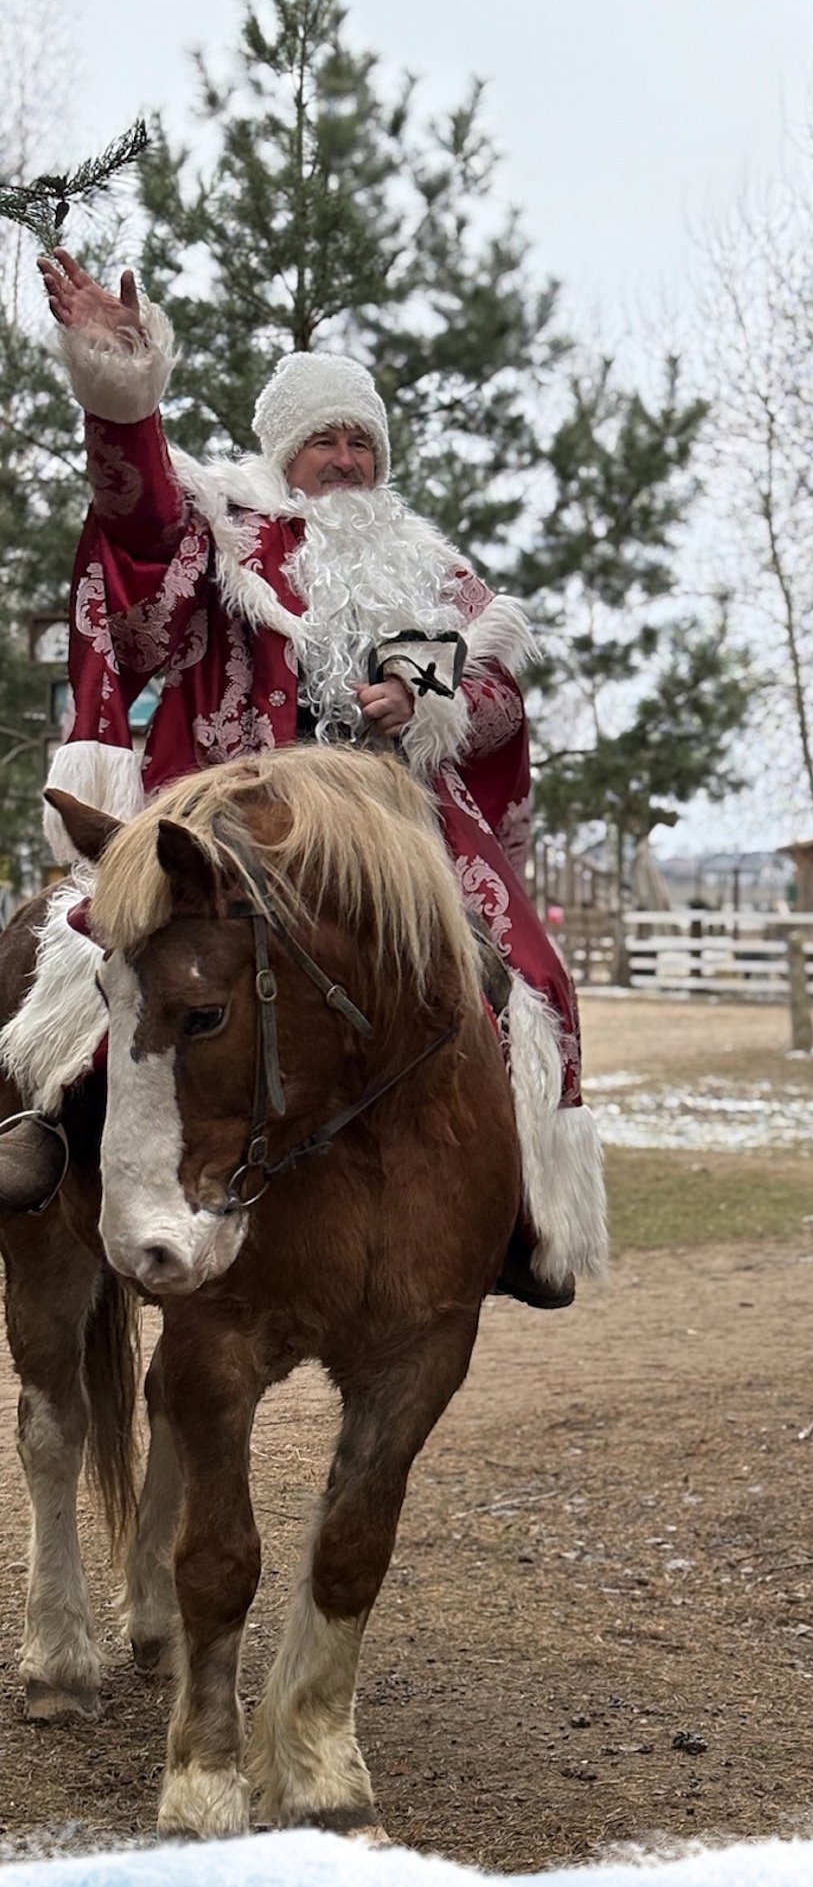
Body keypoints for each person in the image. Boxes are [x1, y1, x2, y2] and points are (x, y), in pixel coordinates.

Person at [0, 253, 606, 1306]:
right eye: (323, 438)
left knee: (526, 968)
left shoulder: (429, 566)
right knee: (112, 938)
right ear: (286, 452)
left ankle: (516, 1210)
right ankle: (52, 1126)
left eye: (360, 438)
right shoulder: (227, 530)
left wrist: (425, 698)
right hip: (239, 804)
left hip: (395, 826)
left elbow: (498, 678)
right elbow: (137, 549)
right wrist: (122, 398)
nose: (345, 456)